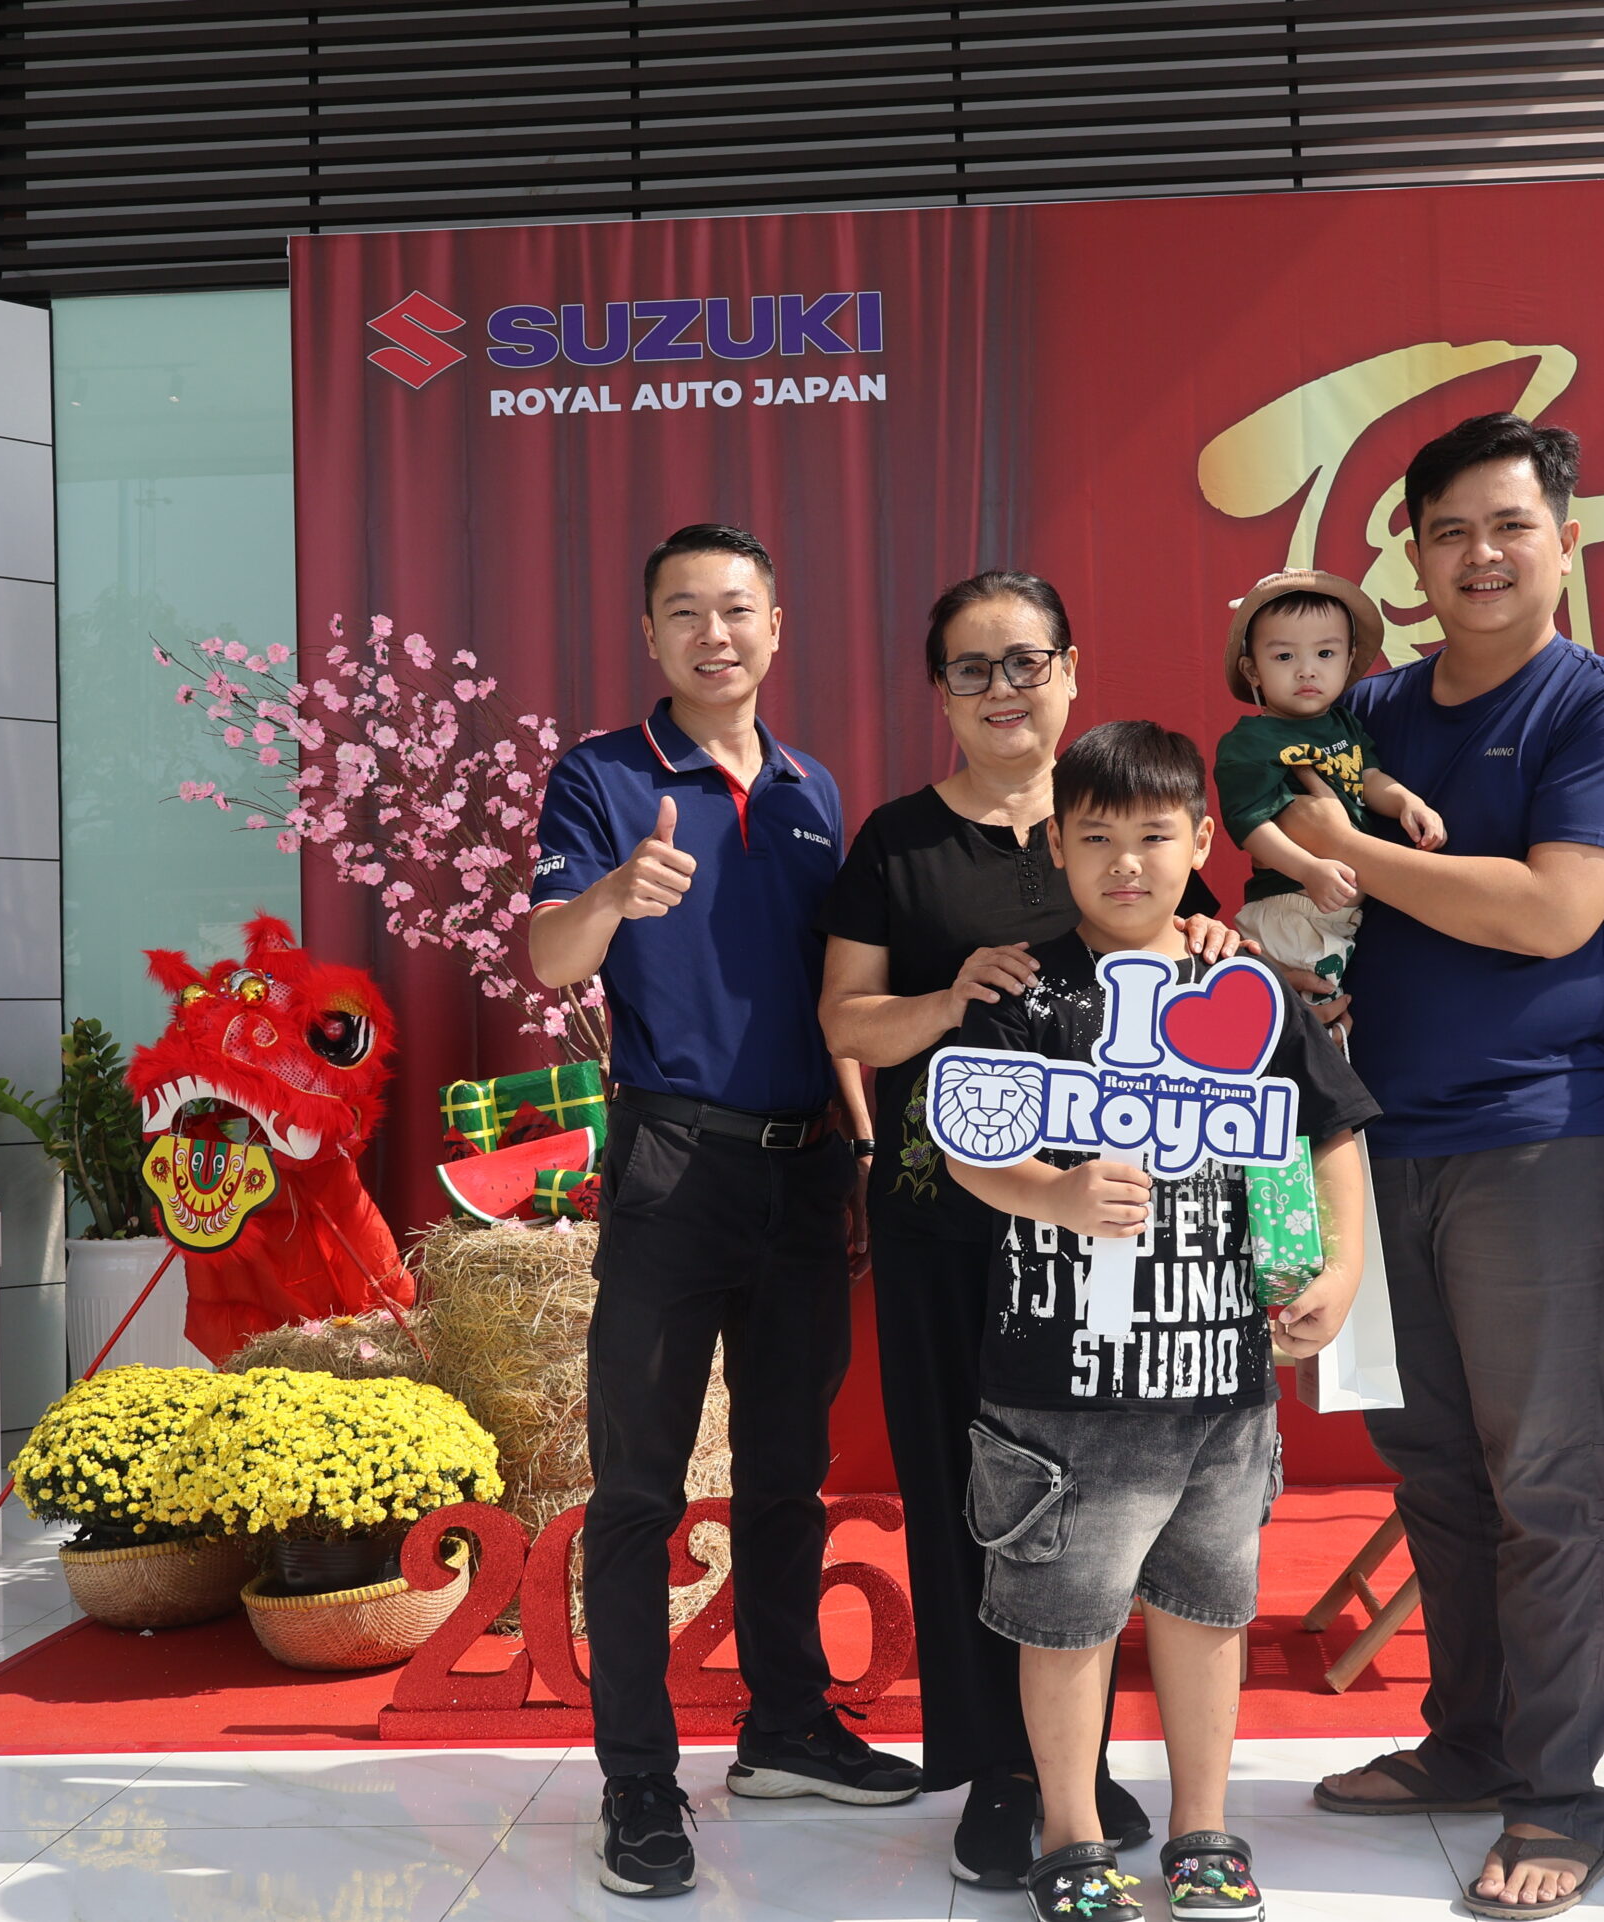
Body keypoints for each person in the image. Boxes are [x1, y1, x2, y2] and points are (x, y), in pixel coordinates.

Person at [1285, 414, 1604, 1920]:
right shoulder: (1366, 706)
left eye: (1510, 525)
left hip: (1533, 1134)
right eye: (1448, 530)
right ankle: (1466, 1739)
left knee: (1547, 1475)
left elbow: (1552, 910)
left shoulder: (1603, 704)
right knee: (1434, 1462)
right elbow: (1280, 852)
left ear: (1563, 539)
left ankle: (1562, 1797)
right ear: (1413, 553)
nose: (1481, 554)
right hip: (1368, 1140)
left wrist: (1355, 857)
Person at [817, 571, 1237, 1886]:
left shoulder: (1126, 817)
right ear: (939, 690)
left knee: (1105, 1518)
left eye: (1026, 661)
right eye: (973, 666)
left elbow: (1208, 970)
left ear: (1070, 670)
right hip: (953, 1231)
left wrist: (1206, 941)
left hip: (1122, 1248)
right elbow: (845, 1020)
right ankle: (997, 1771)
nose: (1003, 688)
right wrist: (950, 999)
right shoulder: (898, 843)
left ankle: (1082, 1770)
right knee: (969, 1500)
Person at [528, 523, 916, 1900]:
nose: (714, 633)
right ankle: (638, 1777)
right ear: (650, 635)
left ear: (776, 625)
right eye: (684, 611)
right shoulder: (604, 775)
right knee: (637, 1485)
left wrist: (860, 1149)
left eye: (737, 608)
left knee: (786, 1470)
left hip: (807, 1169)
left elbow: (840, 1001)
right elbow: (548, 953)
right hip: (674, 1165)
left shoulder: (814, 790)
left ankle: (788, 1725)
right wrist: (613, 893)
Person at [943, 720, 1377, 1922]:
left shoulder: (1243, 984)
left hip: (1221, 1378)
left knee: (1206, 1609)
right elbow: (970, 1144)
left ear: (1200, 841)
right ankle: (1070, 1831)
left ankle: (1202, 1827)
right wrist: (1053, 1194)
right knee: (1065, 1621)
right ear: (1056, 845)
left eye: (1152, 836)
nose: (1126, 862)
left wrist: (1340, 1267)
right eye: (1096, 839)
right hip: (1060, 1387)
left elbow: (1330, 1132)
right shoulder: (1024, 990)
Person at [1212, 568, 1446, 995]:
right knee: (1294, 1011)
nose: (1307, 670)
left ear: (1348, 659)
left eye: (1324, 654)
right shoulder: (1251, 741)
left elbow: (1367, 775)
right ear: (1252, 670)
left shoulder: (1343, 724)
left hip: (1342, 911)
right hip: (1292, 905)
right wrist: (1308, 868)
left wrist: (1406, 802)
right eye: (1284, 657)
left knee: (1330, 1011)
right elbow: (1250, 825)